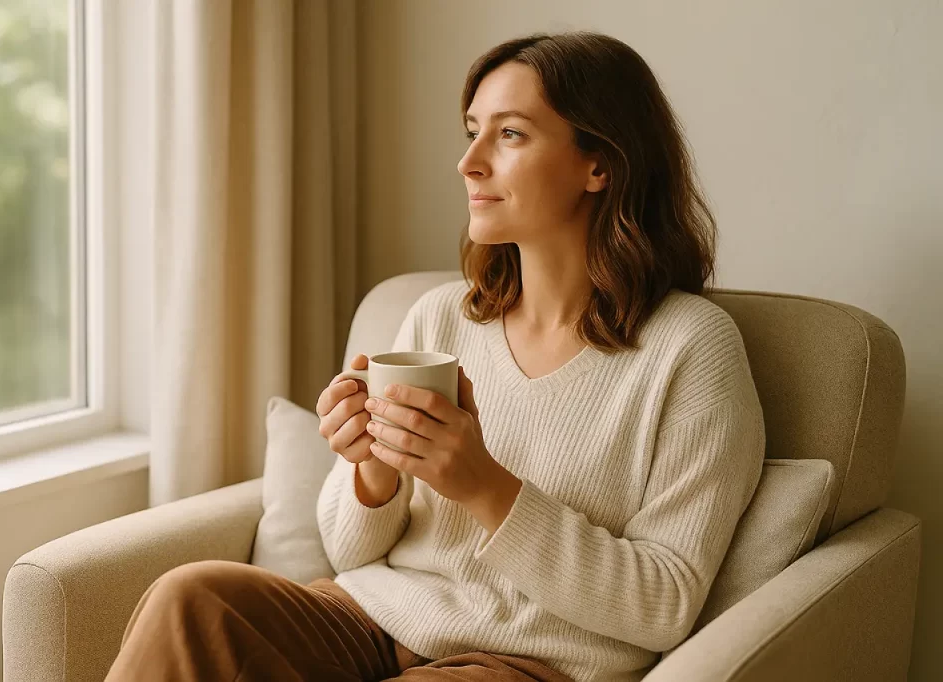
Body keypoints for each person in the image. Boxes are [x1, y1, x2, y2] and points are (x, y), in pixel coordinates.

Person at [106, 31, 765, 682]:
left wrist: (483, 485)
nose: (469, 162)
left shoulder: (691, 349)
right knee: (190, 599)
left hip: (524, 659)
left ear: (601, 165)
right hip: (370, 618)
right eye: (472, 130)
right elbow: (349, 548)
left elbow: (665, 603)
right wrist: (369, 470)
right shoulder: (443, 316)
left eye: (509, 134)